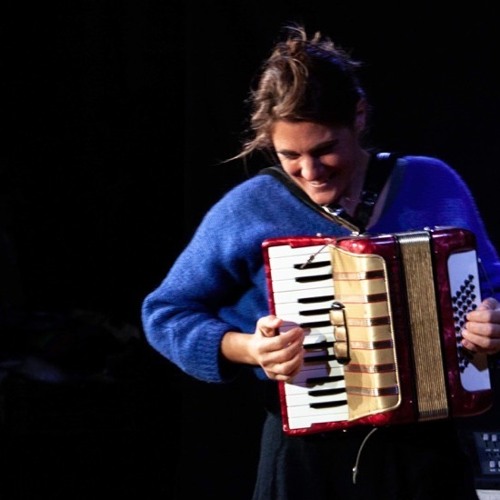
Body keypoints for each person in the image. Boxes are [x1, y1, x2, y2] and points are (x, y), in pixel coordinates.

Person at [141, 23, 500, 500]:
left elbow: (492, 283)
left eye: (325, 149)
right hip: (307, 455)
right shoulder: (252, 206)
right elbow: (165, 313)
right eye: (290, 155)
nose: (310, 172)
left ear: (358, 116)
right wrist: (248, 349)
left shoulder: (433, 183)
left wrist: (494, 318)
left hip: (428, 447)